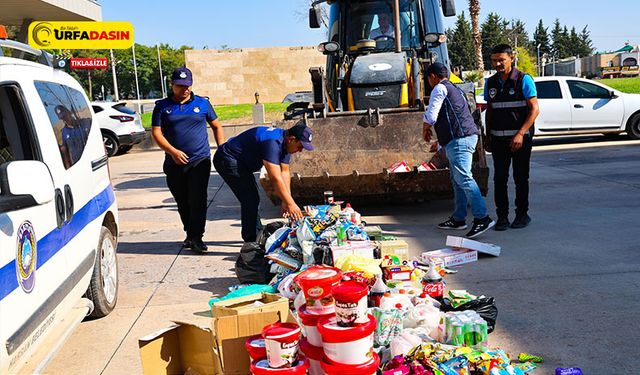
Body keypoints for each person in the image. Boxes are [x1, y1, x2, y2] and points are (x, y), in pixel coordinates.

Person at [151, 67, 225, 252]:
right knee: (182, 200)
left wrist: (221, 148)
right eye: (180, 86)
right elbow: (156, 132)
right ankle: (190, 233)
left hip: (199, 160)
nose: (184, 89)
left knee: (198, 199)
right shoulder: (162, 106)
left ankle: (196, 237)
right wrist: (172, 151)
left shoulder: (203, 103)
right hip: (173, 162)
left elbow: (216, 126)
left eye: (187, 86)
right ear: (172, 85)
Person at [422, 62, 495, 238]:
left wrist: (425, 128)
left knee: (463, 177)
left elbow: (432, 114)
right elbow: (453, 117)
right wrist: (441, 142)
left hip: (460, 140)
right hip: (461, 138)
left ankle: (482, 217)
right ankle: (458, 218)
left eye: (428, 78)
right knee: (457, 179)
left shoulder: (439, 89)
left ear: (432, 76)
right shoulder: (456, 89)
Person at [213, 123, 312, 243]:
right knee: (250, 198)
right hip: (227, 159)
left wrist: (286, 201)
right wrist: (291, 204)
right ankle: (252, 240)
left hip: (242, 162)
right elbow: (275, 178)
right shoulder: (272, 143)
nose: (300, 151)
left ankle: (256, 235)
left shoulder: (285, 143)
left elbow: (284, 172)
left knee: (252, 197)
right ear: (291, 139)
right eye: (300, 146)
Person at [484, 44, 539, 231]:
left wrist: (521, 134)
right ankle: (502, 217)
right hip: (498, 141)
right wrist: (487, 135)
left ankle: (522, 215)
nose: (497, 63)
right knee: (499, 179)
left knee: (520, 178)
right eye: (494, 60)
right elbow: (489, 111)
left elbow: (534, 109)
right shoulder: (490, 82)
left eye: (501, 59)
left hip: (520, 141)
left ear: (511, 58)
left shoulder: (524, 79)